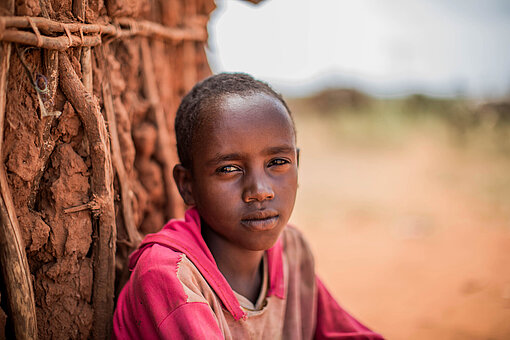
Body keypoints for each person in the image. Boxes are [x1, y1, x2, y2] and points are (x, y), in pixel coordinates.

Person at [112, 73, 383, 339]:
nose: (260, 191)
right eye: (229, 169)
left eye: (277, 162)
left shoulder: (291, 252)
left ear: (297, 164)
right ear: (187, 184)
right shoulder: (169, 276)